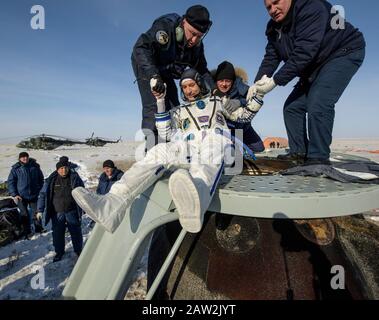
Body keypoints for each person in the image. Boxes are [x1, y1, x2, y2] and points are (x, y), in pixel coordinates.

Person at [71, 68, 264, 234]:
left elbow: (244, 117)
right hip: (190, 147)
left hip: (219, 144)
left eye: (191, 85)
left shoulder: (217, 102)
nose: (188, 90)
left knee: (212, 146)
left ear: (200, 84)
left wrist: (258, 95)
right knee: (160, 150)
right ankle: (112, 205)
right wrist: (161, 101)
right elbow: (166, 132)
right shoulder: (179, 111)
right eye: (185, 87)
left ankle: (198, 198)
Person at [247, 0, 365, 165]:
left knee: (318, 101)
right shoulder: (274, 27)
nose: (273, 9)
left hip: (341, 52)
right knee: (292, 108)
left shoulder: (311, 7)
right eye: (268, 7)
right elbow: (271, 57)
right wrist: (257, 84)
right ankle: (299, 153)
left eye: (276, 2)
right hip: (314, 64)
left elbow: (304, 52)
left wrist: (275, 81)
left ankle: (318, 159)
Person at [131, 5, 214, 149]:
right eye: (192, 33)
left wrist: (216, 92)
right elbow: (140, 47)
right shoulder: (165, 27)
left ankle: (173, 148)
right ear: (183, 24)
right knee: (155, 106)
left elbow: (203, 71)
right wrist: (153, 75)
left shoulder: (197, 47)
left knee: (175, 109)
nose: (194, 40)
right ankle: (153, 152)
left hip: (166, 72)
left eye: (199, 36)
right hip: (147, 65)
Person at [37, 161, 85, 262]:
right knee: (58, 234)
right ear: (57, 169)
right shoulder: (51, 180)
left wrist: (85, 207)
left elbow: (83, 192)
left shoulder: (74, 178)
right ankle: (59, 252)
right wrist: (40, 210)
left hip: (72, 211)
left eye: (65, 168)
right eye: (61, 168)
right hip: (57, 212)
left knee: (76, 232)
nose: (64, 170)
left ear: (68, 168)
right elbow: (42, 194)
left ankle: (78, 250)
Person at [213, 61, 265, 154]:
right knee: (234, 155)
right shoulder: (212, 91)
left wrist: (239, 102)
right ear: (216, 81)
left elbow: (251, 99)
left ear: (233, 81)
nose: (224, 84)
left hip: (243, 126)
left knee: (259, 148)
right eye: (221, 81)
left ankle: (242, 150)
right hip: (225, 130)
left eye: (228, 81)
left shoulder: (241, 87)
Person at [7, 152, 44, 237]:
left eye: (26, 157)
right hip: (21, 196)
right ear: (20, 159)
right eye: (23, 157)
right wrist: (14, 194)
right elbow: (11, 182)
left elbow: (41, 179)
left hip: (34, 195)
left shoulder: (35, 166)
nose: (25, 159)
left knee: (37, 212)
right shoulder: (16, 169)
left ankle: (39, 228)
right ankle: (27, 231)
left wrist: (40, 190)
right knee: (24, 214)